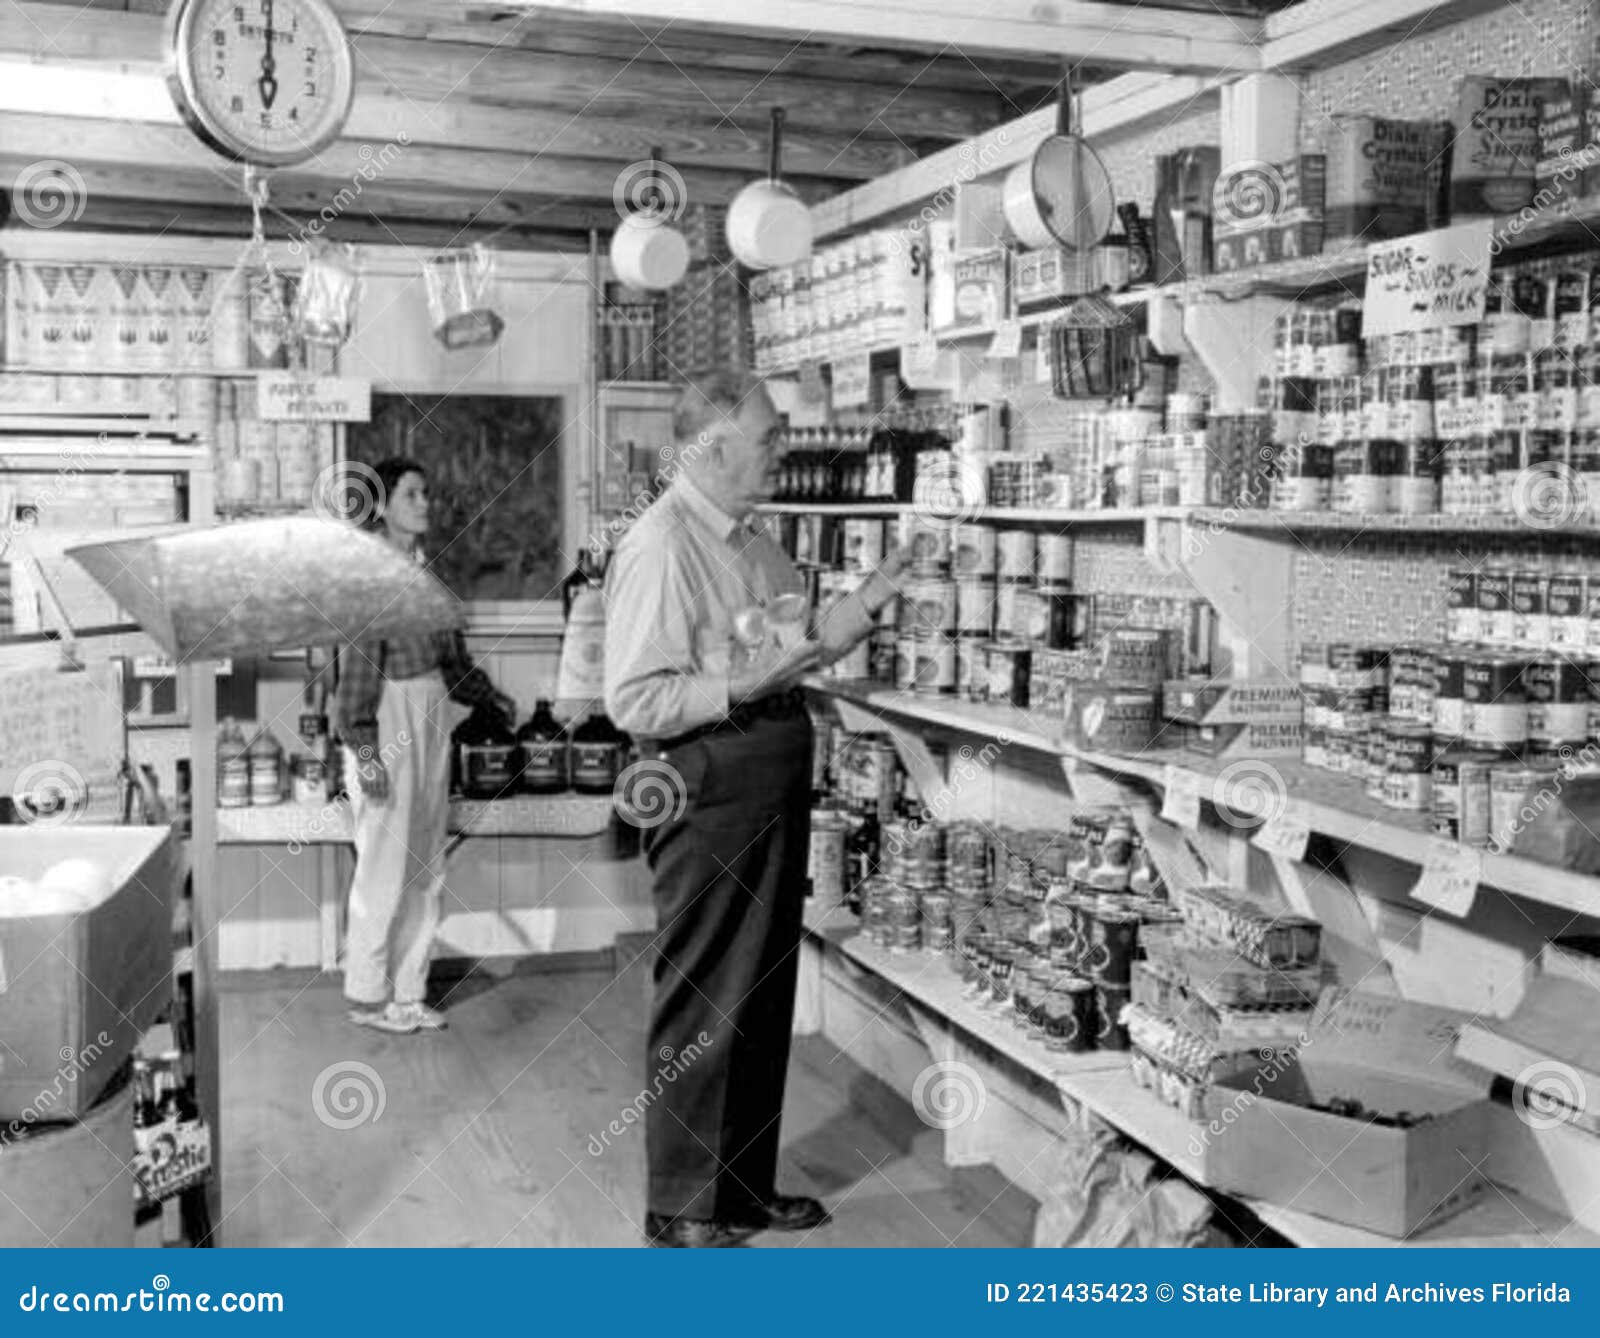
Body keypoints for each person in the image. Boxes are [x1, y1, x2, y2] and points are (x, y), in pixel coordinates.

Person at [605, 370, 906, 1247]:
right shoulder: (661, 547)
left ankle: (740, 1186)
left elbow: (802, 637)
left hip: (767, 781)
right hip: (707, 785)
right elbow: (636, 699)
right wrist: (744, 684)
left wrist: (880, 588)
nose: (784, 446)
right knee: (704, 994)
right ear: (713, 446)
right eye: (771, 434)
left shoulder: (751, 543)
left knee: (762, 992)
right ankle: (679, 1204)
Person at [333, 457, 517, 1036]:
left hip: (432, 718)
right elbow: (356, 679)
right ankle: (367, 996)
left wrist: (492, 699)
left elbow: (454, 664)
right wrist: (365, 752)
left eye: (428, 492)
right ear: (383, 506)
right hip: (387, 721)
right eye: (413, 494)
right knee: (382, 867)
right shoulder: (368, 578)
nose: (426, 503)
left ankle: (409, 993)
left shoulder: (428, 574)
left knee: (424, 865)